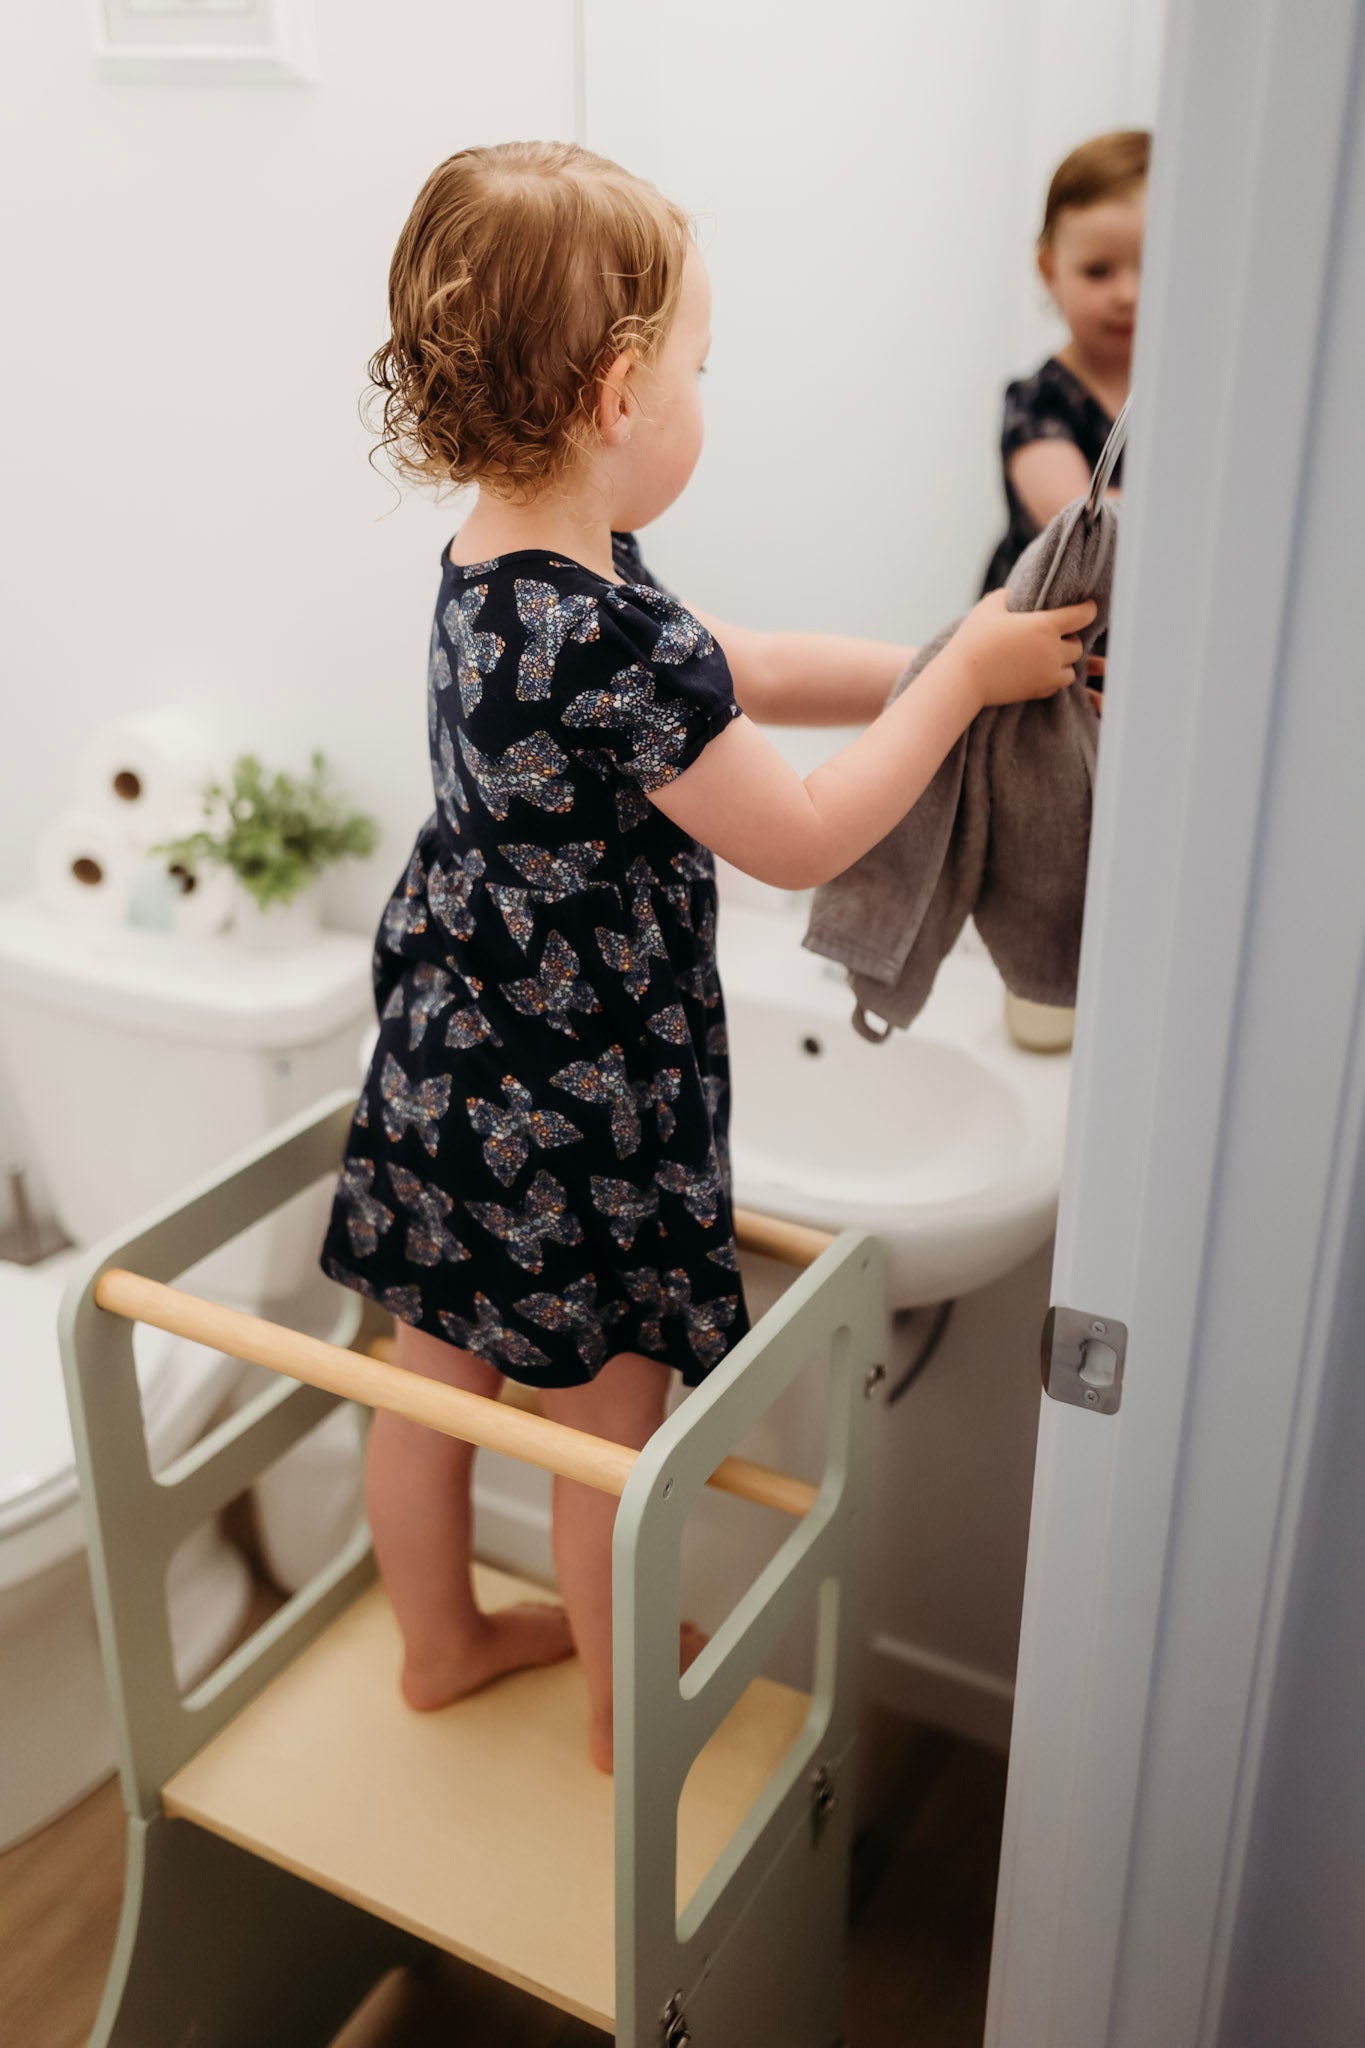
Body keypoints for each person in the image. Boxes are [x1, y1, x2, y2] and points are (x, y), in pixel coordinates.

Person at [320, 141, 1093, 1771]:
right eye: (699, 370)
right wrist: (957, 689)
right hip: (581, 1084)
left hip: (458, 1042)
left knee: (429, 1366)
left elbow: (725, 667)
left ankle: (444, 1644)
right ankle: (625, 1725)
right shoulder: (603, 633)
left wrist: (934, 652)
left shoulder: (501, 556)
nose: (701, 397)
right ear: (619, 396)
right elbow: (801, 836)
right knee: (612, 1428)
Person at [982, 129, 1149, 596]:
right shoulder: (1039, 400)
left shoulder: (1186, 395)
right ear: (1050, 271)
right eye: (1098, 271)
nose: (1128, 295)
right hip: (1035, 639)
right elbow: (1076, 515)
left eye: (1153, 266)